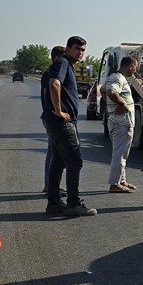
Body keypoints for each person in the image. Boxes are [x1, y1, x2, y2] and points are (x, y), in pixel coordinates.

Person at [41, 36, 97, 218]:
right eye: (77, 49)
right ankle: (73, 203)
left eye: (83, 50)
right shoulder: (62, 63)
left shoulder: (66, 65)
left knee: (58, 162)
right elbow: (54, 83)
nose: (80, 53)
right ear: (67, 48)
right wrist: (59, 110)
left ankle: (54, 203)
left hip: (55, 121)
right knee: (74, 161)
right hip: (61, 122)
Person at [104, 55, 138, 193]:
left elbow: (102, 90)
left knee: (123, 154)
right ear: (130, 66)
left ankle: (121, 180)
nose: (135, 70)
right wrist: (122, 104)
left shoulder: (115, 77)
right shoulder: (118, 78)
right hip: (121, 122)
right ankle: (114, 183)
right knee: (119, 154)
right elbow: (111, 91)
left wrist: (112, 105)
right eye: (135, 67)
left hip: (119, 121)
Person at [41, 45, 67, 198]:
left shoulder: (51, 72)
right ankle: (50, 185)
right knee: (53, 153)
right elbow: (49, 92)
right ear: (58, 57)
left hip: (49, 116)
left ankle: (50, 185)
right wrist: (58, 111)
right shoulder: (52, 73)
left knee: (53, 152)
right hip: (52, 117)